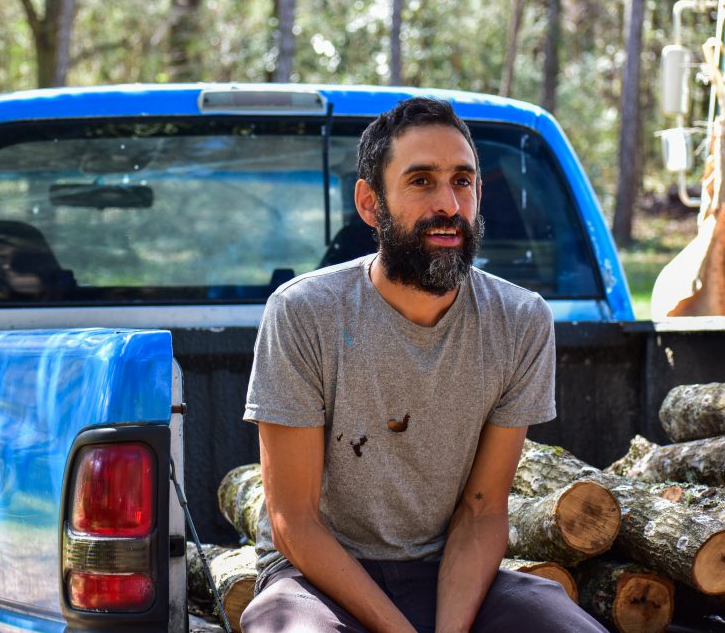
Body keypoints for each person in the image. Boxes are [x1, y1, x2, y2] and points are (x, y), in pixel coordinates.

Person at [240, 97, 606, 633]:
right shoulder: (303, 312)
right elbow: (294, 520)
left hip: (451, 575)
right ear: (370, 203)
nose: (449, 205)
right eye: (421, 181)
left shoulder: (521, 320)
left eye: (463, 181)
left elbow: (482, 510)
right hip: (314, 581)